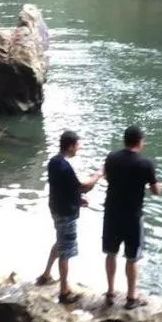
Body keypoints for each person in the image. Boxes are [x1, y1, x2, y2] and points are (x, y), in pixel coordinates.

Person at [102, 125, 162, 308]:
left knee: (111, 253)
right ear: (140, 142)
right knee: (132, 258)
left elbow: (107, 178)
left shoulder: (111, 158)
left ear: (125, 140)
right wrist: (160, 187)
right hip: (133, 217)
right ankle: (131, 297)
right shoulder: (146, 164)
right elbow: (155, 191)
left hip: (111, 214)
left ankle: (110, 292)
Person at [36, 130, 101, 304]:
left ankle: (46, 275)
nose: (79, 148)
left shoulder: (54, 162)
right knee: (66, 250)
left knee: (60, 241)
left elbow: (63, 188)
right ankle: (64, 291)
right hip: (65, 213)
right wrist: (99, 174)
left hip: (56, 208)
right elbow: (83, 187)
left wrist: (77, 200)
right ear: (71, 146)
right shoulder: (64, 166)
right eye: (78, 145)